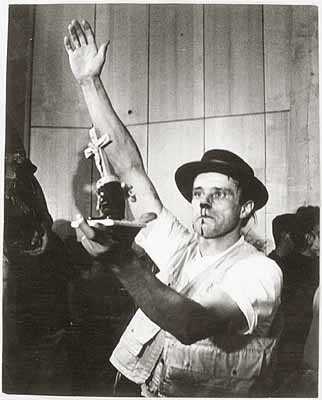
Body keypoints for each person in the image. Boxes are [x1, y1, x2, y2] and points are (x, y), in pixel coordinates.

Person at [64, 19, 283, 397]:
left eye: (220, 193)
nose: (204, 200)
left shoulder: (261, 271)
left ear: (246, 208)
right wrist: (89, 83)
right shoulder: (180, 247)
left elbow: (192, 323)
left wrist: (121, 262)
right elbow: (131, 168)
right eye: (199, 192)